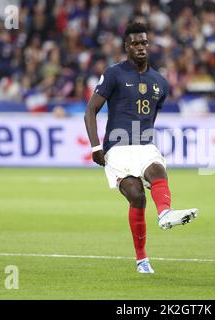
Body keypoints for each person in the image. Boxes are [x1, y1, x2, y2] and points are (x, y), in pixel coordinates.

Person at [84, 22, 198, 274]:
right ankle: (142, 259)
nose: (140, 47)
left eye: (144, 43)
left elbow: (151, 117)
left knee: (158, 170)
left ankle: (165, 214)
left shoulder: (160, 82)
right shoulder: (114, 74)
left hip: (144, 144)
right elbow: (91, 110)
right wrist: (95, 146)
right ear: (126, 46)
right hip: (116, 149)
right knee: (137, 196)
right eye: (135, 43)